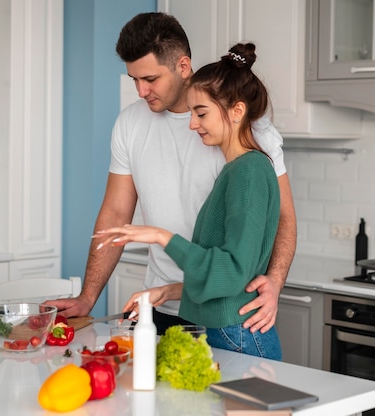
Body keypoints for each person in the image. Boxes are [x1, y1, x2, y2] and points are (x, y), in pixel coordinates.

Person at [47, 12, 296, 334]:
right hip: (159, 303)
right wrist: (88, 296)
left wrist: (274, 282)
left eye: (150, 79)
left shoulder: (247, 129)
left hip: (227, 308)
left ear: (182, 65)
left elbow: (284, 216)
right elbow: (115, 213)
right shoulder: (130, 123)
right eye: (134, 79)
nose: (140, 91)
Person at [93, 43, 282, 359]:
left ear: (237, 111)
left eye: (201, 113)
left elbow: (232, 273)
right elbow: (229, 277)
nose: (192, 124)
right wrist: (168, 291)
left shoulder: (248, 172)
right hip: (223, 328)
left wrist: (161, 237)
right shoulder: (236, 170)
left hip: (237, 336)